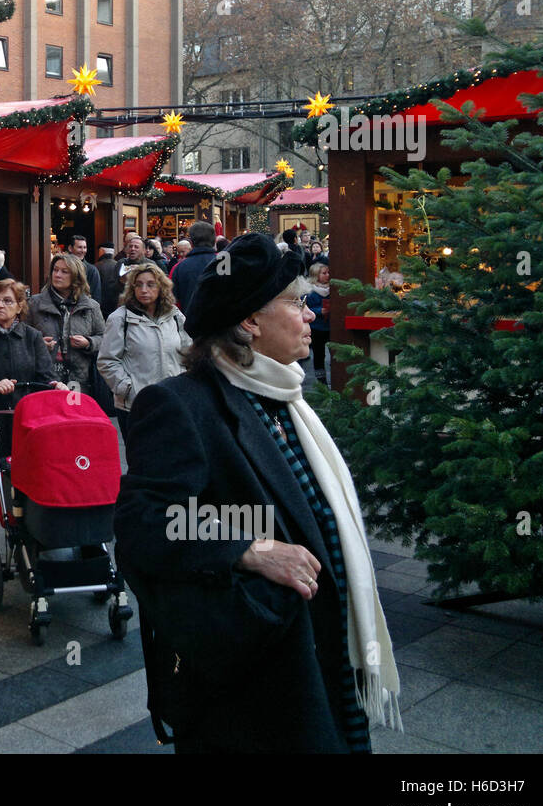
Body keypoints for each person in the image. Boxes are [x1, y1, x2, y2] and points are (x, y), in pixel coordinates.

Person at [114, 233, 400, 753]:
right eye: (295, 302)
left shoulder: (286, 397)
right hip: (256, 696)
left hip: (319, 666)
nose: (311, 312)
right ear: (249, 322)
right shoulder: (181, 404)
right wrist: (250, 548)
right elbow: (143, 522)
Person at [0, 278, 61, 549]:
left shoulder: (32, 337)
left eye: (7, 301)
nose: (0, 305)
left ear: (19, 307)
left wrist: (56, 386)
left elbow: (45, 375)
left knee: (25, 476)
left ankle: (29, 536)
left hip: (25, 421)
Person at [96, 263, 189, 441]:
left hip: (172, 402)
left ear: (161, 287)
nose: (144, 290)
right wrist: (128, 389)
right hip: (135, 406)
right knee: (142, 462)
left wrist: (183, 384)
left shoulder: (176, 316)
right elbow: (107, 361)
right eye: (138, 284)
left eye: (150, 284)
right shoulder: (120, 318)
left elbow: (188, 353)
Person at [25, 253, 105, 390]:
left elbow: (104, 338)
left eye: (64, 271)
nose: (57, 275)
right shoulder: (34, 303)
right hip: (45, 379)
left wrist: (88, 342)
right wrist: (37, 343)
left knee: (74, 411)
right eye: (55, 270)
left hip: (79, 380)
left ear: (76, 276)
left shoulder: (91, 306)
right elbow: (21, 337)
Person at [170, 221, 218, 312]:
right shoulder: (225, 263)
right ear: (214, 240)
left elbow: (173, 301)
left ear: (191, 243)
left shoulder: (180, 267)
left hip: (190, 321)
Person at [304, 259, 331, 384]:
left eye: (328, 272)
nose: (327, 275)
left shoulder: (332, 289)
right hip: (316, 328)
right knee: (319, 355)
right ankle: (322, 381)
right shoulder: (309, 291)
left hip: (330, 327)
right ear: (316, 275)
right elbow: (305, 307)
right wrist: (320, 310)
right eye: (324, 273)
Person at [69, 234, 101, 305]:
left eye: (85, 247)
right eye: (80, 247)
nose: (83, 250)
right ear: (70, 248)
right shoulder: (63, 267)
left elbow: (96, 296)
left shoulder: (92, 270)